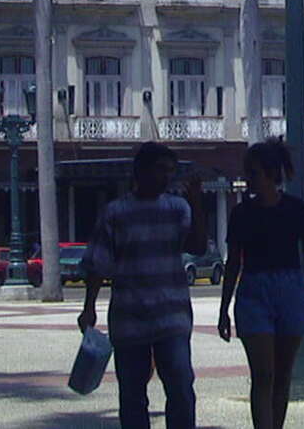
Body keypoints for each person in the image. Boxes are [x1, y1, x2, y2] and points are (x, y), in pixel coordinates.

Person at [79, 142, 207, 429]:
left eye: (170, 171)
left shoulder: (178, 208)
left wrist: (198, 205)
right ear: (141, 171)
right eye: (160, 169)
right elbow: (98, 264)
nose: (165, 177)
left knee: (181, 388)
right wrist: (89, 308)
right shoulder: (116, 213)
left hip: (172, 317)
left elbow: (198, 247)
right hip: (129, 317)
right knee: (133, 395)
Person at [217, 139, 304, 429]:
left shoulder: (295, 209)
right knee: (263, 375)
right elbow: (233, 263)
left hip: (291, 291)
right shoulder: (241, 213)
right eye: (247, 173)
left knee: (283, 375)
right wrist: (224, 309)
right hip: (253, 294)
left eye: (254, 173)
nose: (249, 179)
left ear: (272, 173)